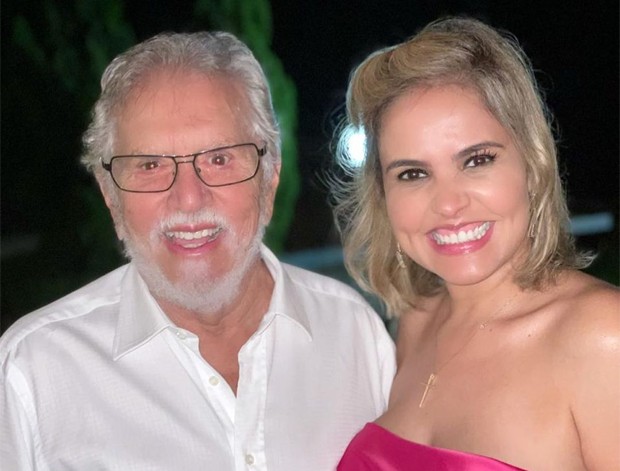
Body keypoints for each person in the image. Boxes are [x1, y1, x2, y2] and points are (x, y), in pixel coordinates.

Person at [0, 31, 396, 470]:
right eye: (150, 165)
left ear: (270, 179)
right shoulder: (33, 373)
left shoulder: (355, 334)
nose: (189, 199)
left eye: (219, 159)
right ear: (110, 195)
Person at [331, 17, 620, 470]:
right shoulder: (414, 322)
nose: (448, 203)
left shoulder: (603, 338)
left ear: (532, 164)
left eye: (477, 160)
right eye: (413, 173)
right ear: (383, 196)